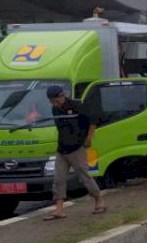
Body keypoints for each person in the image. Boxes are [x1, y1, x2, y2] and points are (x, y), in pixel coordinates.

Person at [44, 85, 105, 220]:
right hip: (62, 149)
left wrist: (89, 138)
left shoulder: (77, 105)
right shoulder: (55, 110)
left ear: (62, 96)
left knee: (84, 176)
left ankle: (99, 199)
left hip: (77, 147)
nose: (55, 104)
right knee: (58, 179)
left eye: (56, 100)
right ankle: (59, 210)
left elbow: (92, 120)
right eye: (52, 101)